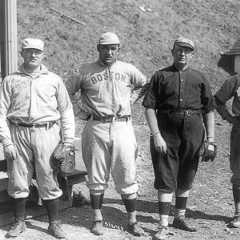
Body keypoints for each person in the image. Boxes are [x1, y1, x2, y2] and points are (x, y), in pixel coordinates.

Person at [67, 32, 147, 236]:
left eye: (113, 48)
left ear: (118, 49)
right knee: (96, 174)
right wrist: (81, 111)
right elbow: (67, 93)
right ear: (98, 48)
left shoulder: (128, 69)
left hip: (122, 126)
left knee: (127, 171)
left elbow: (144, 84)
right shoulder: (85, 70)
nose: (109, 52)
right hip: (96, 127)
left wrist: (131, 101)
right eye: (105, 48)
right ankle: (97, 218)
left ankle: (133, 220)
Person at [0, 38, 75, 239]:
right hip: (18, 132)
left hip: (47, 132)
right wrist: (6, 141)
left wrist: (67, 141)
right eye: (28, 51)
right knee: (18, 178)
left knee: (48, 177)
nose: (33, 55)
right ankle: (19, 222)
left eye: (37, 52)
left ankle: (54, 223)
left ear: (43, 55)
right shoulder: (11, 79)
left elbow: (66, 111)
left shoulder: (53, 79)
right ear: (22, 53)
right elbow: (0, 111)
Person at [142, 37, 215, 239]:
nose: (182, 53)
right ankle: (163, 225)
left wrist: (211, 140)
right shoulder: (160, 76)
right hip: (166, 132)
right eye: (179, 50)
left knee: (187, 174)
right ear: (172, 51)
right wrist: (156, 135)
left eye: (187, 50)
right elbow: (149, 107)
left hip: (193, 132)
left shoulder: (199, 78)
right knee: (166, 176)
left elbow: (209, 110)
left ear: (192, 54)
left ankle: (179, 217)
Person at [214, 74, 240, 228]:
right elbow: (217, 101)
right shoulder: (236, 80)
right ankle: (238, 213)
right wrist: (229, 118)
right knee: (239, 174)